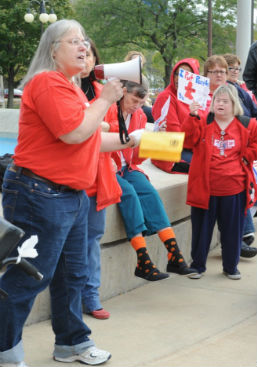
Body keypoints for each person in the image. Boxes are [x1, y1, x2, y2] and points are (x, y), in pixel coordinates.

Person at [0, 19, 142, 367]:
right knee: (29, 275)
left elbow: (92, 138)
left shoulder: (71, 88)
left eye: (84, 40)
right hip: (39, 194)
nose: (83, 47)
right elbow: (75, 133)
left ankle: (72, 343)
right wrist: (106, 98)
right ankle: (5, 349)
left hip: (70, 196)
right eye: (73, 41)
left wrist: (134, 138)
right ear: (53, 50)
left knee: (72, 275)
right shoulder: (47, 82)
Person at [105, 76, 197, 280]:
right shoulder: (107, 110)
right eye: (133, 101)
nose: (137, 107)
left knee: (149, 193)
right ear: (123, 93)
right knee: (128, 194)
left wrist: (154, 142)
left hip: (127, 168)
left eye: (140, 103)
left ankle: (175, 255)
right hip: (106, 168)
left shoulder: (140, 117)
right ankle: (142, 259)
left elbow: (136, 157)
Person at [181, 84, 257, 280]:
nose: (220, 104)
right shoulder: (203, 121)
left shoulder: (248, 124)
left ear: (234, 104)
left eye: (225, 101)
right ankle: (197, 266)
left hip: (234, 188)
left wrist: (246, 157)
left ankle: (231, 267)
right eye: (217, 100)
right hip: (205, 188)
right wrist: (192, 116)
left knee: (233, 231)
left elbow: (255, 145)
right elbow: (187, 141)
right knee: (201, 230)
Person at [80, 39, 117, 320]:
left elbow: (113, 130)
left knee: (92, 240)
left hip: (96, 178)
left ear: (96, 60)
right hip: (68, 180)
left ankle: (91, 296)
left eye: (90, 54)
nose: (85, 58)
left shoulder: (104, 92)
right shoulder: (61, 88)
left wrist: (101, 125)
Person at [152, 58, 200, 173]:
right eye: (177, 74)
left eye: (185, 74)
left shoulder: (193, 98)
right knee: (209, 166)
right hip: (171, 152)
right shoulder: (166, 97)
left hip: (189, 148)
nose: (179, 78)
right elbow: (173, 136)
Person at [124, 50, 154, 123]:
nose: (137, 64)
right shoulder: (123, 76)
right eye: (134, 61)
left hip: (141, 106)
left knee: (152, 113)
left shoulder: (144, 79)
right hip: (127, 106)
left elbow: (145, 98)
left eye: (139, 62)